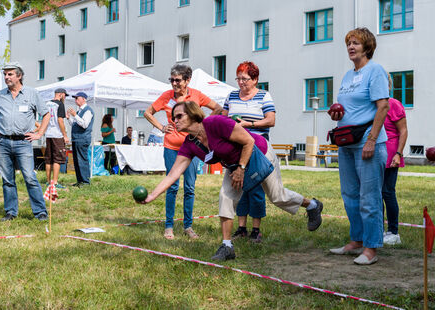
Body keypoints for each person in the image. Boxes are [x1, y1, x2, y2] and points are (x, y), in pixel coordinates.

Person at [143, 101, 323, 261]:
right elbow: (173, 174)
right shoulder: (189, 144)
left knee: (277, 197)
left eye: (179, 115)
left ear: (193, 114)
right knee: (226, 196)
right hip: (233, 165)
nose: (175, 120)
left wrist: (241, 169)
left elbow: (248, 141)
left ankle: (312, 205)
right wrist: (151, 196)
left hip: (258, 153)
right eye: (174, 117)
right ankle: (227, 246)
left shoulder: (216, 123)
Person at [329, 28, 389, 265]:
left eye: (356, 43)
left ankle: (371, 248)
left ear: (367, 47)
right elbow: (348, 109)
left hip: (368, 142)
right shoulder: (347, 75)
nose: (351, 47)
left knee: (369, 197)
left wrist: (372, 140)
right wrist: (335, 114)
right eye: (349, 43)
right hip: (347, 143)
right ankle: (357, 240)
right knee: (350, 195)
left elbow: (382, 107)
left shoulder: (375, 71)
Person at [144, 64, 222, 240]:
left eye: (178, 80)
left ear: (187, 80)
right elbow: (148, 113)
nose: (174, 83)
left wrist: (204, 126)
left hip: (193, 148)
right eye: (171, 80)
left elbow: (217, 108)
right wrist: (162, 127)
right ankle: (169, 226)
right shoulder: (166, 96)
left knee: (189, 187)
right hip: (171, 147)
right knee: (172, 186)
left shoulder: (196, 95)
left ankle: (188, 226)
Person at [0, 61, 50, 222]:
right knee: (7, 179)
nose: (6, 77)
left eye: (10, 74)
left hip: (23, 143)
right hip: (3, 143)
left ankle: (40, 212)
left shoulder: (32, 93)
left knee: (29, 177)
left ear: (19, 76)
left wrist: (39, 133)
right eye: (5, 74)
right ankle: (11, 212)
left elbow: (46, 114)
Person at [222, 61, 275, 243]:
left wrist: (248, 124)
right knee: (240, 187)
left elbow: (270, 120)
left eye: (245, 79)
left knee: (256, 189)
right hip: (236, 148)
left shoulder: (264, 96)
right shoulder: (231, 96)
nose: (241, 82)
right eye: (239, 78)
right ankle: (242, 228)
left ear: (255, 79)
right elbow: (223, 117)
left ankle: (256, 230)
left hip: (257, 148)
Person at [382, 74, 408, 245]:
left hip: (391, 155)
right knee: (375, 195)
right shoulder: (374, 105)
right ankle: (379, 230)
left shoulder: (394, 104)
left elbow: (403, 131)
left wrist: (398, 154)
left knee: (388, 192)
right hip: (374, 155)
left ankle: (393, 232)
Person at [67, 91, 94, 187]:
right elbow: (74, 124)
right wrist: (69, 118)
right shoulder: (79, 111)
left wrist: (75, 115)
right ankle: (80, 181)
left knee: (82, 160)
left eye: (77, 98)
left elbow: (84, 124)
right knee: (77, 161)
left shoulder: (87, 110)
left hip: (82, 139)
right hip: (76, 139)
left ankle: (85, 182)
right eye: (75, 98)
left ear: (84, 99)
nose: (75, 100)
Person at [43, 88, 69, 189]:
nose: (65, 97)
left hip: (48, 133)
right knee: (57, 159)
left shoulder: (47, 103)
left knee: (48, 158)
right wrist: (65, 135)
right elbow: (60, 121)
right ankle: (55, 182)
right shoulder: (60, 104)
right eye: (65, 96)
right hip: (57, 134)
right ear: (61, 94)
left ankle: (48, 181)